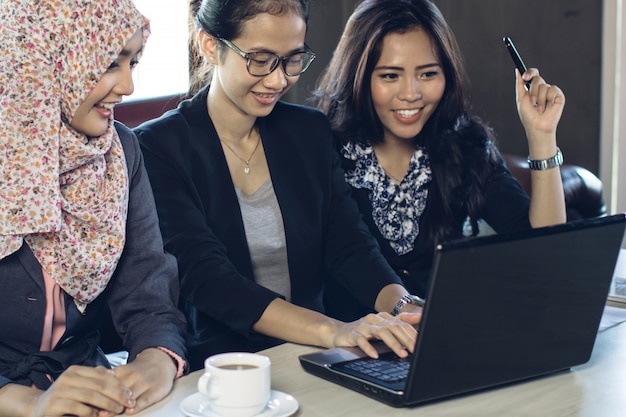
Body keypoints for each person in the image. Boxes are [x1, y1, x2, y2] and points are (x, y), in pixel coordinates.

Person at [135, 0, 423, 372]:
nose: (278, 80)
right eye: (259, 59)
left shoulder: (309, 132)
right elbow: (207, 277)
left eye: (292, 59)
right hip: (224, 366)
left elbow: (349, 245)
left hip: (313, 355)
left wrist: (404, 308)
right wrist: (336, 331)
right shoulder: (157, 147)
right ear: (210, 45)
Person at [314, 0, 567, 320]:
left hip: (442, 338)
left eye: (428, 73)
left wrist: (542, 136)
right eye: (390, 76)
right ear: (359, 76)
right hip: (345, 346)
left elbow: (545, 254)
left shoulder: (466, 146)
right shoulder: (322, 148)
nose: (411, 93)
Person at [0, 0, 187, 415]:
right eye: (108, 64)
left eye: (132, 63)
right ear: (45, 57)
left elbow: (147, 289)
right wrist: (26, 402)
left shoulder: (121, 152)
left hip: (96, 395)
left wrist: (157, 357)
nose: (128, 86)